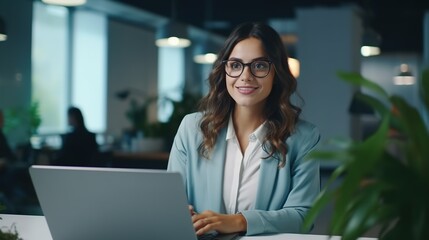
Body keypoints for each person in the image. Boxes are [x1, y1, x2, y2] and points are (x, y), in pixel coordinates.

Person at [167, 22, 321, 236]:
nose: (245, 76)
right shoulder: (192, 129)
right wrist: (177, 213)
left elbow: (304, 217)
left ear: (276, 72)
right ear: (225, 70)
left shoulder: (303, 138)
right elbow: (171, 202)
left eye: (259, 65)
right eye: (236, 65)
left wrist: (240, 222)